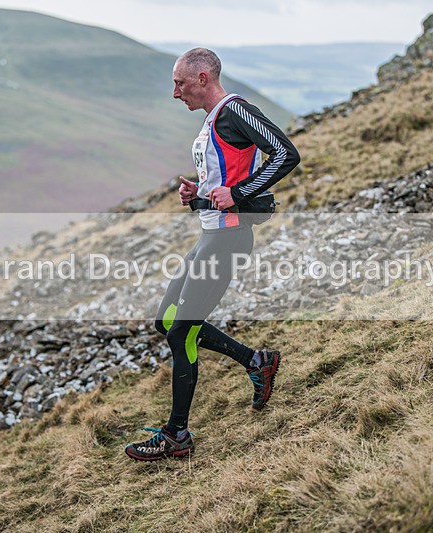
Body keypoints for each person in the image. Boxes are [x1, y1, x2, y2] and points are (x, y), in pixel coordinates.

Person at [125, 48, 300, 461]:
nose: (174, 92)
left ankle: (176, 435)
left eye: (179, 83)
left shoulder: (234, 110)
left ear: (203, 78)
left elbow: (285, 153)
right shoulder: (212, 122)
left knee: (182, 332)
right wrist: (197, 195)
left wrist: (239, 193)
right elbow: (222, 184)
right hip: (210, 236)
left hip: (229, 239)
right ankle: (256, 361)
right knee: (166, 320)